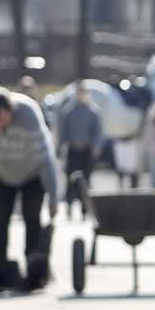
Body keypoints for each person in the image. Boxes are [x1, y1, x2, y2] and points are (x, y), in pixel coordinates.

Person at [0, 87, 60, 264]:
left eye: (3, 118)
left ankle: (32, 262)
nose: (0, 124)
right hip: (0, 173)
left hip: (32, 174)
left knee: (32, 217)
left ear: (10, 110)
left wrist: (53, 196)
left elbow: (46, 159)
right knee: (0, 218)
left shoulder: (29, 116)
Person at [56, 82, 103, 218]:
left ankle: (84, 209)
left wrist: (96, 146)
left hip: (86, 150)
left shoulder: (93, 111)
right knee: (70, 179)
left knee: (85, 180)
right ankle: (69, 205)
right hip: (73, 149)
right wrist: (60, 146)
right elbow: (63, 131)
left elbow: (97, 132)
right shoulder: (69, 111)